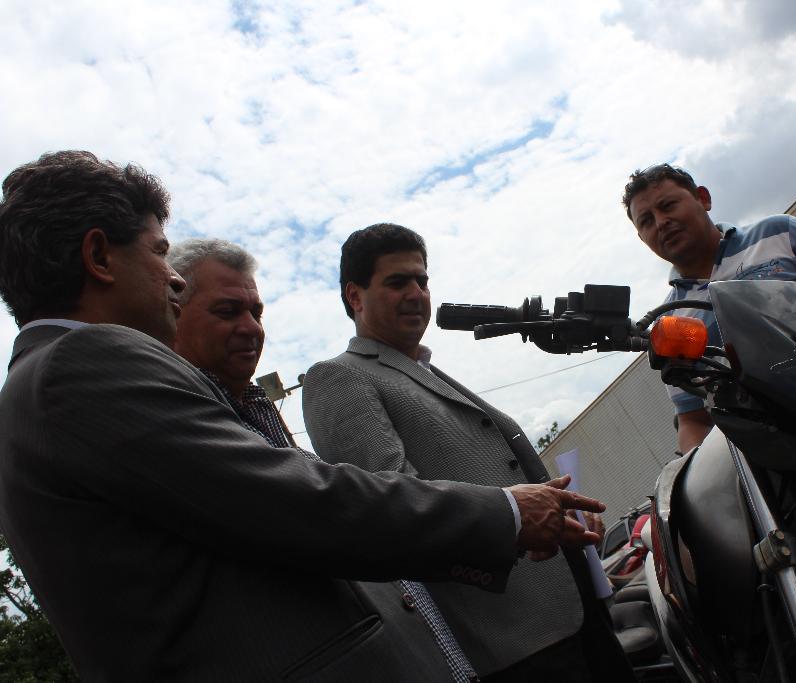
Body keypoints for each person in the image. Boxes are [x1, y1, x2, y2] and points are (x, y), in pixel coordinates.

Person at [0, 151, 604, 682]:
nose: (173, 277)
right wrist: (505, 511)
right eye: (160, 252)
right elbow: (292, 504)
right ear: (100, 257)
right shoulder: (82, 360)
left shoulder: (43, 382)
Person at [302, 223, 633, 682]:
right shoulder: (339, 378)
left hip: (571, 609)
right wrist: (518, 524)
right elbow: (395, 507)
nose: (417, 293)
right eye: (398, 282)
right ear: (355, 297)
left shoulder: (425, 373)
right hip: (512, 642)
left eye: (423, 280)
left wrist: (564, 519)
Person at [168, 237, 481, 681]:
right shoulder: (190, 430)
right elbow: (363, 514)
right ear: (171, 313)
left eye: (256, 312)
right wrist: (509, 514)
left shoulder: (255, 414)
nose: (252, 328)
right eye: (227, 311)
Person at [623, 164, 796, 453]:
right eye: (646, 221)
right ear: (641, 237)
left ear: (703, 198)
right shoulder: (671, 322)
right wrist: (686, 472)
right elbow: (694, 419)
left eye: (668, 205)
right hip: (785, 461)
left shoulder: (781, 233)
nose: (661, 222)